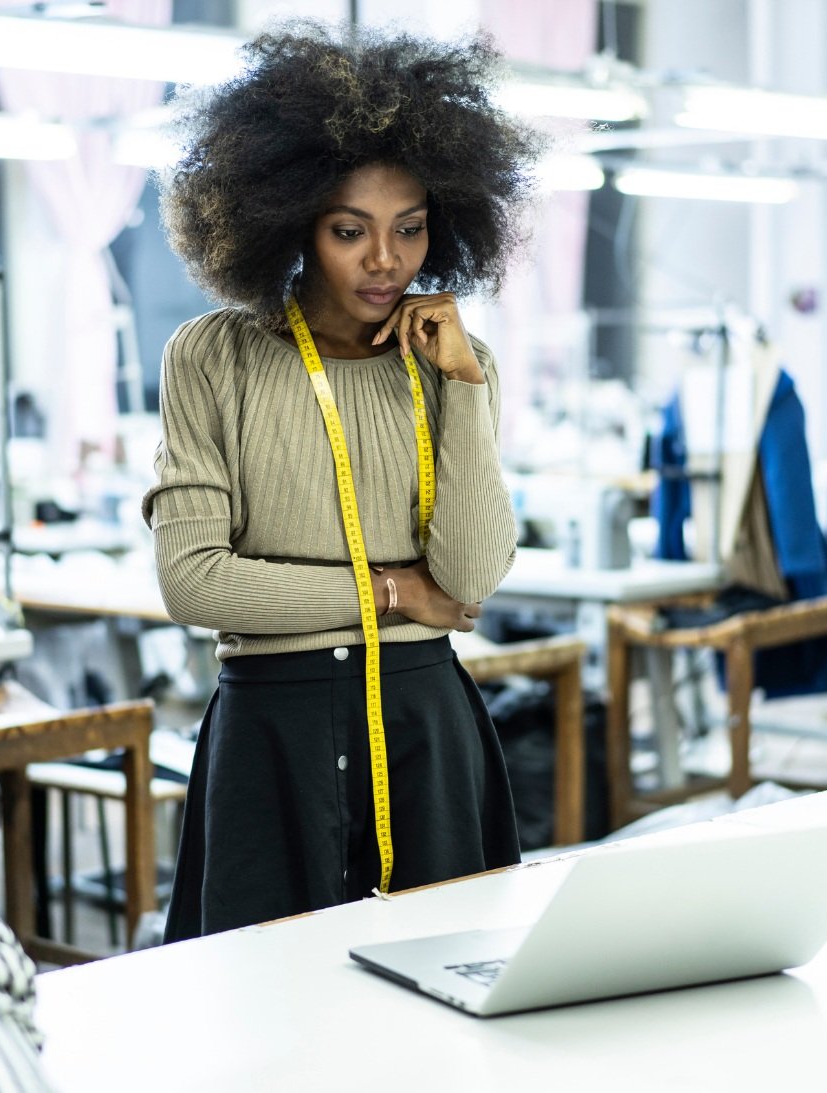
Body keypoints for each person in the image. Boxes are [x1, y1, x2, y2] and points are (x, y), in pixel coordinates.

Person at [143, 22, 543, 942]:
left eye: (408, 229)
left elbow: (474, 575)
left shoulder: (451, 358)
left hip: (422, 718)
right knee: (262, 1017)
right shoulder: (212, 357)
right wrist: (396, 590)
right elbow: (194, 581)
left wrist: (466, 390)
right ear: (290, 224)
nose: (385, 261)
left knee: (439, 1007)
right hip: (270, 729)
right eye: (348, 230)